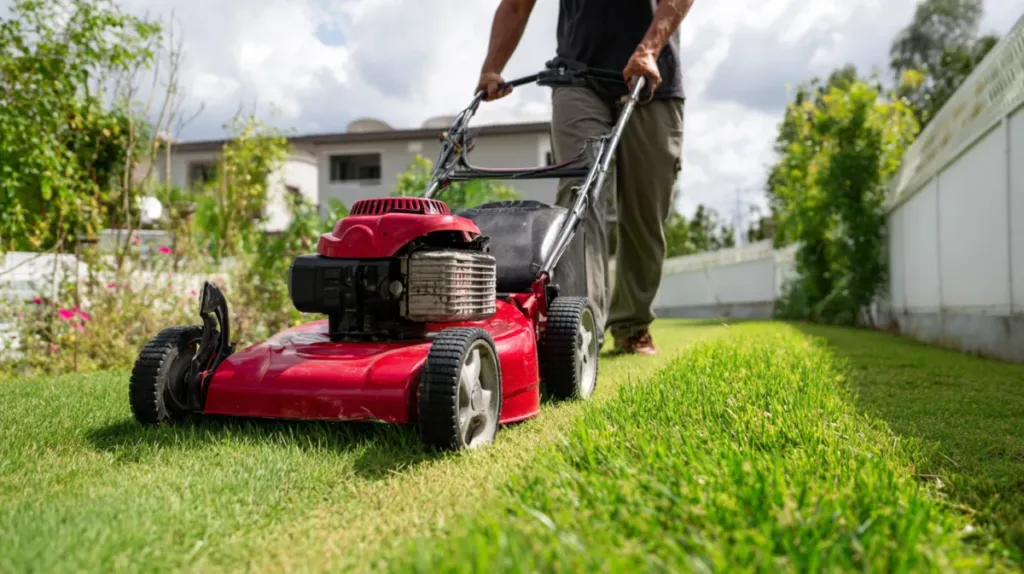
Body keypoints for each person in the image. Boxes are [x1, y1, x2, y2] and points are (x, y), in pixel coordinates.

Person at [475, 0, 694, 356]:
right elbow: (516, 6)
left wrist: (649, 48)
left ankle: (632, 325)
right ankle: (577, 330)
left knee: (644, 213)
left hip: (652, 78)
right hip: (577, 77)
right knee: (580, 196)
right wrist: (491, 68)